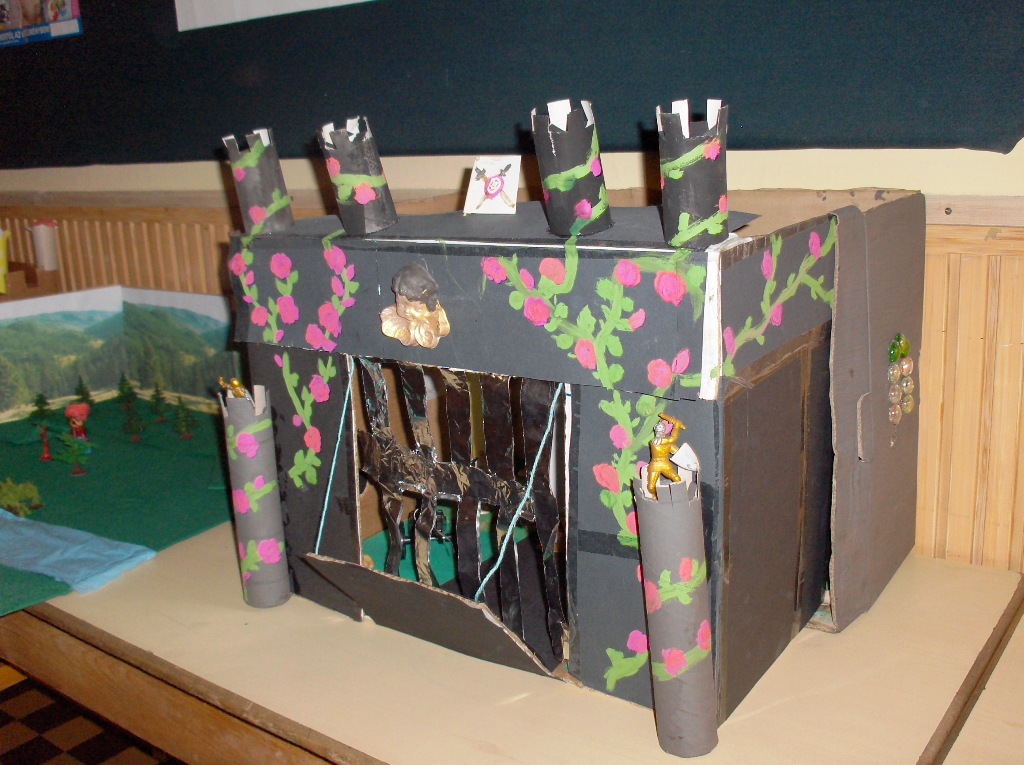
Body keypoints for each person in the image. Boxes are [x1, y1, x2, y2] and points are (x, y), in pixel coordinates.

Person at [646, 412, 685, 498]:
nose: (660, 431)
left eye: (662, 429)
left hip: (665, 464)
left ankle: (676, 496)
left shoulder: (667, 444)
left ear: (664, 430)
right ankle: (656, 497)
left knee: (677, 479)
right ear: (655, 430)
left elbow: (674, 449)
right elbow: (672, 439)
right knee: (651, 487)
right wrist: (676, 426)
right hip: (655, 465)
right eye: (658, 429)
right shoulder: (655, 441)